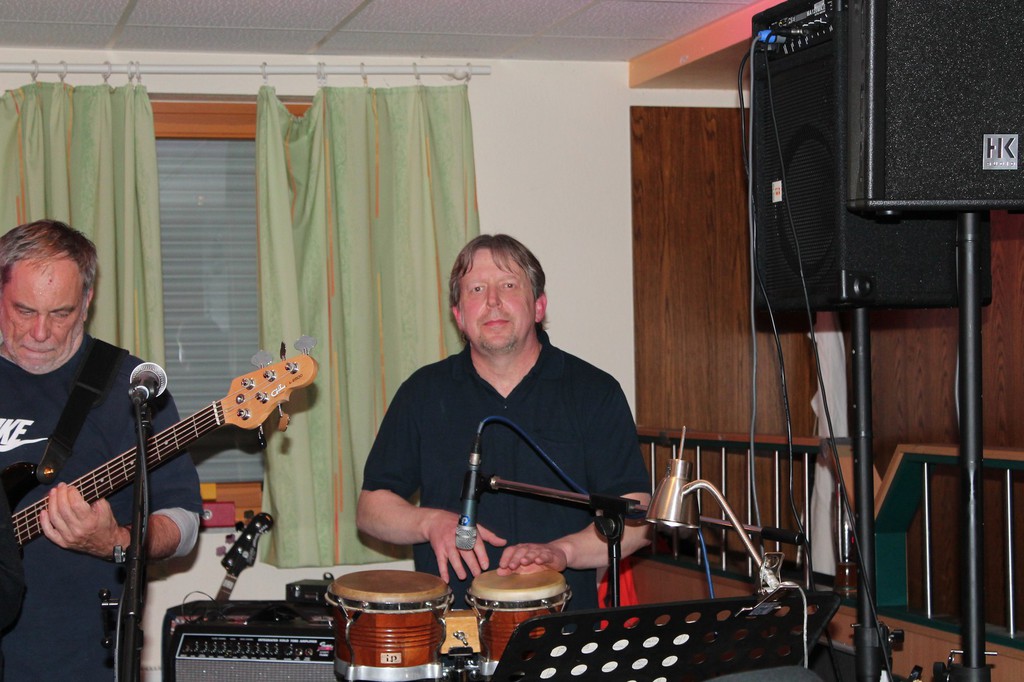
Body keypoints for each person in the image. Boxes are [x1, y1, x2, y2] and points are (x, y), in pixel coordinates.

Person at [357, 234, 651, 611]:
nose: (493, 301)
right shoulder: (422, 393)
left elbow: (637, 519)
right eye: (477, 289)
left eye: (509, 285)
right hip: (452, 627)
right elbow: (371, 509)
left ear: (539, 306)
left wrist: (563, 551)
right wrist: (429, 522)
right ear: (459, 316)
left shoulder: (594, 391)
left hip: (562, 626)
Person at [0, 219, 202, 680]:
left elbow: (185, 523)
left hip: (78, 659)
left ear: (87, 301)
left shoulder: (131, 389)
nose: (40, 332)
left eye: (61, 313)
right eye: (24, 310)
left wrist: (115, 541)